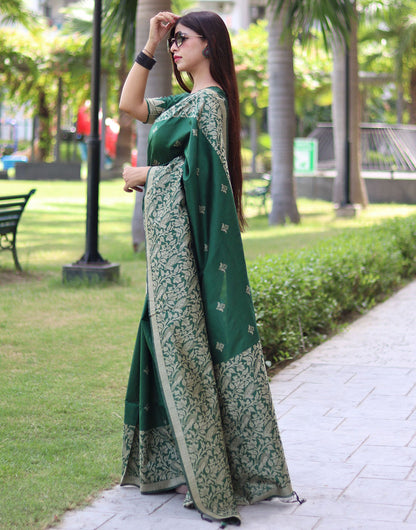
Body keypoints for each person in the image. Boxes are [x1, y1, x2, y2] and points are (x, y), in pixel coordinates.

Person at [119, 10, 300, 526]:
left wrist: (146, 173)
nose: (175, 48)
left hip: (189, 252)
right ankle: (181, 464)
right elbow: (130, 104)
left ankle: (210, 474)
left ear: (210, 44)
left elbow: (201, 177)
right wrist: (150, 41)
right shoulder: (186, 101)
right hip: (173, 249)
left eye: (181, 40)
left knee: (184, 345)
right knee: (170, 340)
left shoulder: (211, 102)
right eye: (172, 40)